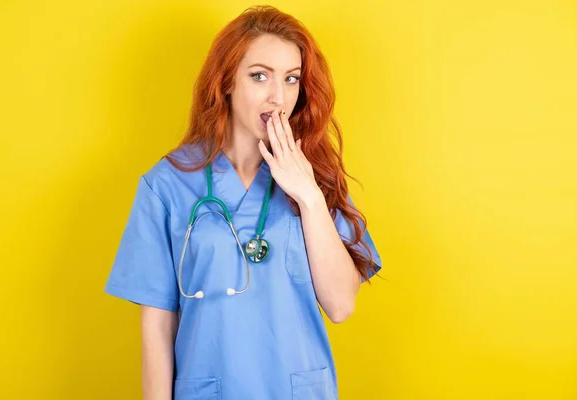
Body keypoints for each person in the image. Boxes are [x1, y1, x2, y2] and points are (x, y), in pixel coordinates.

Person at [104, 5, 382, 400]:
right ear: (227, 81)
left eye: (291, 79)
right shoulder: (166, 185)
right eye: (259, 76)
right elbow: (157, 328)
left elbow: (340, 306)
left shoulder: (315, 177)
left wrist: (308, 197)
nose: (278, 97)